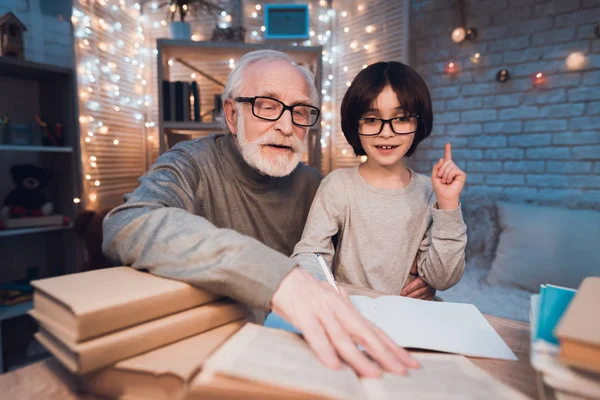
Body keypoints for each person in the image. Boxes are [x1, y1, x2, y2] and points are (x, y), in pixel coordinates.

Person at [102, 50, 419, 377]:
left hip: (299, 358)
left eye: (299, 111)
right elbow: (127, 223)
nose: (285, 126)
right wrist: (276, 277)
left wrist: (415, 274)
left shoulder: (316, 186)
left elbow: (352, 258)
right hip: (209, 357)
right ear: (232, 114)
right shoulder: (191, 164)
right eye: (267, 106)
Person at [291, 61, 468, 298]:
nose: (386, 132)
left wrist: (447, 203)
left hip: (413, 316)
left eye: (402, 118)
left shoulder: (429, 191)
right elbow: (312, 253)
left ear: (418, 123)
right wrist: (318, 287)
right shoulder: (339, 185)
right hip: (354, 314)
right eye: (372, 119)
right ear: (355, 124)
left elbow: (443, 278)